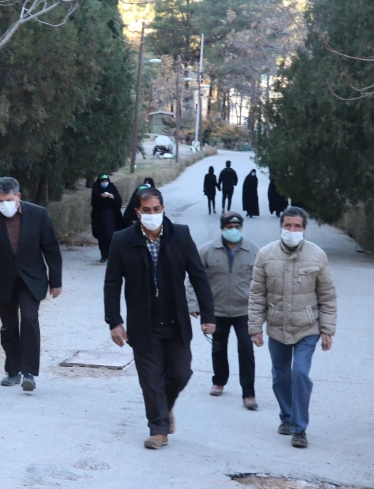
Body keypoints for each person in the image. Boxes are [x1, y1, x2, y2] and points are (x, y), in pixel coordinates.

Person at [104, 186, 216, 450]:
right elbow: (112, 283)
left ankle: (164, 409)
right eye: (146, 210)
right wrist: (114, 321)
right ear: (138, 212)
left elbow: (198, 276)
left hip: (176, 320)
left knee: (181, 372)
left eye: (156, 209)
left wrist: (208, 315)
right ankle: (158, 429)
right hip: (143, 324)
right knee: (150, 379)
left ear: (163, 209)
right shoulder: (122, 239)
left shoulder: (181, 235)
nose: (152, 214)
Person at [248, 206, 337, 449]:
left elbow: (327, 295)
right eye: (288, 225)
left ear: (304, 229)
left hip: (307, 328)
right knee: (280, 376)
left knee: (300, 374)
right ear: (281, 227)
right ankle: (286, 416)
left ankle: (300, 429)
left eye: (297, 226)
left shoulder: (317, 255)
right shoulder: (265, 255)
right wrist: (255, 327)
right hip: (277, 326)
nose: (292, 230)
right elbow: (257, 294)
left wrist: (327, 330)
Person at [0, 177, 63, 392]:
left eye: (8, 199)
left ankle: (28, 372)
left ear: (18, 196)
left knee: (29, 319)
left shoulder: (39, 214)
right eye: (0, 200)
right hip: (4, 280)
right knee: (9, 326)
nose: (4, 204)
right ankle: (12, 369)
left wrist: (56, 281)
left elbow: (52, 250)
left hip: (32, 279)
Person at [187, 212, 258, 410]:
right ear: (222, 228)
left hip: (244, 309)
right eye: (229, 227)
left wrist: (263, 309)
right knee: (218, 347)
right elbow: (194, 278)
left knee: (246, 348)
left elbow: (263, 283)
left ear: (241, 228)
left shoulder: (253, 251)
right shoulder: (208, 250)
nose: (233, 231)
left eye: (237, 227)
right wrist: (194, 304)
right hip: (216, 309)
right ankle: (219, 381)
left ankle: (249, 393)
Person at [90, 174, 125, 263]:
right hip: (100, 217)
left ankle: (110, 254)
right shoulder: (96, 189)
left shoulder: (112, 187)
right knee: (102, 237)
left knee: (111, 236)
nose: (104, 183)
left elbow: (119, 200)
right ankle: (103, 255)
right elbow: (93, 203)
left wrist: (113, 197)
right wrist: (100, 196)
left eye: (106, 181)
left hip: (112, 216)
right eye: (102, 182)